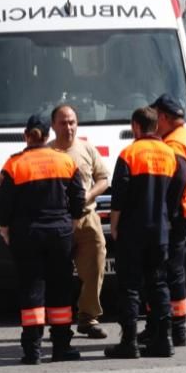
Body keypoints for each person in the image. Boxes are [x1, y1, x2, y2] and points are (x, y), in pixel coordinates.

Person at [0, 114, 86, 365]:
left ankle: (32, 349)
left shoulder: (15, 164)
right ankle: (61, 347)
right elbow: (79, 196)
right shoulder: (65, 161)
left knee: (31, 288)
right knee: (60, 288)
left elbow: (3, 202)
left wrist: (4, 228)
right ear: (48, 136)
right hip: (59, 233)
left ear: (26, 135)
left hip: (27, 234)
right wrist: (73, 220)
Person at [105, 107, 186, 359]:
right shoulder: (170, 154)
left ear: (136, 126)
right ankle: (164, 340)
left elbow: (118, 195)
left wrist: (115, 225)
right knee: (158, 283)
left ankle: (128, 342)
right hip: (160, 230)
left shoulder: (129, 154)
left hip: (132, 230)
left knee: (129, 286)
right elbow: (180, 183)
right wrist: (168, 213)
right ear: (155, 125)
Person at [147, 94, 186, 348]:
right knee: (175, 271)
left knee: (165, 271)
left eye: (156, 118)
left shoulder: (173, 144)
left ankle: (169, 328)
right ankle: (176, 328)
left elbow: (179, 177)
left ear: (164, 117)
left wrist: (166, 210)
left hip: (176, 215)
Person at [49, 104, 110, 340]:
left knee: (95, 267)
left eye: (72, 122)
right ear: (54, 125)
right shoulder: (47, 153)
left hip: (87, 219)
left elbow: (103, 178)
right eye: (63, 123)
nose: (69, 127)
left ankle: (88, 317)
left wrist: (89, 194)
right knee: (59, 275)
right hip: (59, 222)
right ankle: (60, 323)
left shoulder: (86, 148)